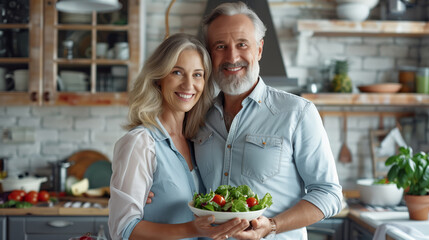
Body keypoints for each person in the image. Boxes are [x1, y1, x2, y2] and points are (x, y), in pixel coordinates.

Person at [192, 2, 343, 239]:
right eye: (220, 46)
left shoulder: (298, 112)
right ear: (210, 55)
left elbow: (329, 194)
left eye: (242, 44)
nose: (232, 57)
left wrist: (272, 225)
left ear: (259, 49)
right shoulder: (198, 116)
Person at [108, 33, 249, 240]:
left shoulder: (197, 142)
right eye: (177, 72)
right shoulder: (141, 142)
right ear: (158, 79)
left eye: (197, 75)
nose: (188, 85)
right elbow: (123, 229)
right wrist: (193, 228)